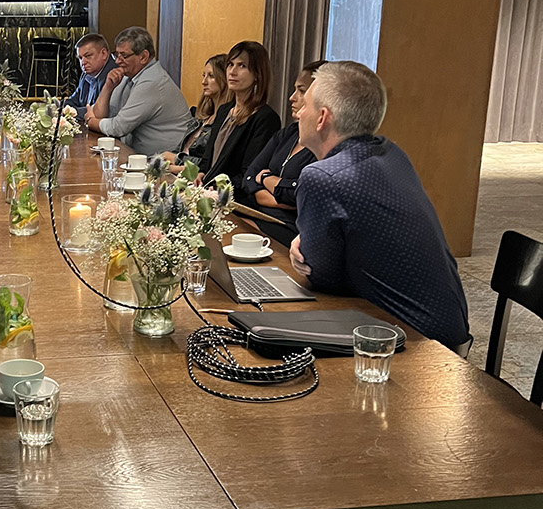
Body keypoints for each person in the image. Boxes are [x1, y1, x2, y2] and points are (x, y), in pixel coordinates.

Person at [290, 60, 470, 350]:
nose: (299, 113)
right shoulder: (391, 152)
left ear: (322, 118)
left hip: (412, 347)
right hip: (450, 332)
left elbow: (322, 278)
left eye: (306, 105)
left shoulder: (322, 177)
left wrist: (303, 250)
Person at [239, 59, 323, 246]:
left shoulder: (322, 143)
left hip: (290, 227)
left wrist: (266, 178)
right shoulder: (289, 133)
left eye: (301, 91)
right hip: (258, 212)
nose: (292, 97)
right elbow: (250, 176)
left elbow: (300, 193)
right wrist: (279, 197)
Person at [84, 26, 192, 155]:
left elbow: (118, 127)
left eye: (124, 56)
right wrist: (108, 87)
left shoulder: (152, 81)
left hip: (165, 160)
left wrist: (91, 122)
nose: (117, 61)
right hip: (138, 156)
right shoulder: (127, 76)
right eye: (116, 55)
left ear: (143, 57)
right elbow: (99, 115)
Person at [194, 41, 281, 188]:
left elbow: (249, 172)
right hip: (207, 190)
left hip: (232, 196)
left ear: (257, 74)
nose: (232, 72)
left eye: (242, 66)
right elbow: (208, 157)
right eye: (230, 64)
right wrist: (201, 173)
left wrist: (216, 187)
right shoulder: (224, 110)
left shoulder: (265, 118)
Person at [159, 54, 230, 171]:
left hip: (195, 178)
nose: (204, 82)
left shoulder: (226, 123)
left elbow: (210, 164)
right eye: (204, 75)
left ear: (225, 80)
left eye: (211, 76)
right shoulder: (201, 118)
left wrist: (176, 162)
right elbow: (178, 150)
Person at [66, 33, 115, 118]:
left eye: (88, 56)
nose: (83, 62)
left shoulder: (114, 75)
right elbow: (73, 101)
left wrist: (71, 112)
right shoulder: (86, 73)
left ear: (104, 54)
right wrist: (62, 108)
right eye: (80, 58)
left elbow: (99, 113)